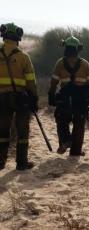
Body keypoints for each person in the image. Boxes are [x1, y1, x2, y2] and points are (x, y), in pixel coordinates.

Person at [48, 36, 89, 156]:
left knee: (62, 120)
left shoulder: (60, 63)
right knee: (79, 124)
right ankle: (75, 151)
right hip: (81, 98)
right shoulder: (85, 64)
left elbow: (54, 82)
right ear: (78, 49)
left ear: (66, 48)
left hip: (65, 97)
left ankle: (65, 141)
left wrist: (51, 96)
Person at [0, 23, 38, 171]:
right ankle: (21, 163)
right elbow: (31, 81)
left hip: (1, 99)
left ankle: (0, 162)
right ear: (18, 37)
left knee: (2, 132)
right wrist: (34, 98)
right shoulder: (24, 57)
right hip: (21, 99)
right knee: (23, 132)